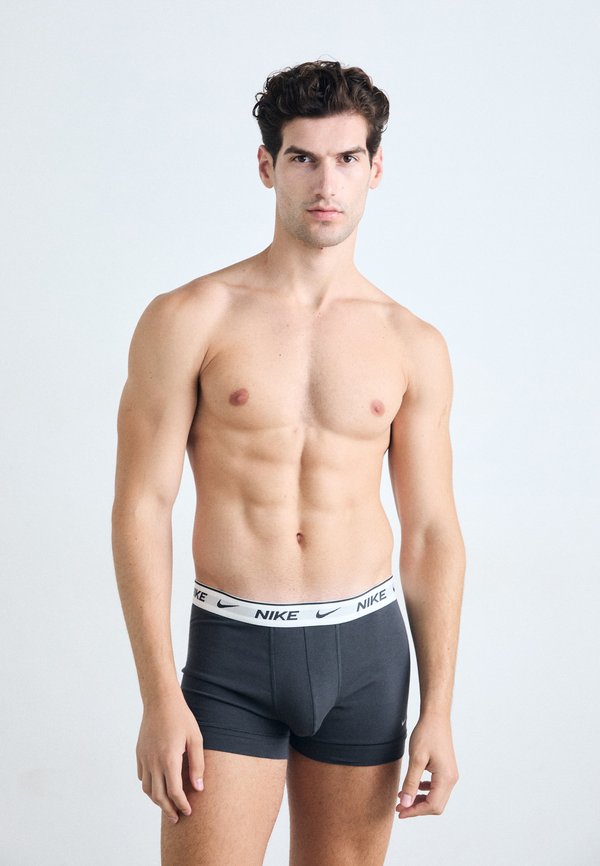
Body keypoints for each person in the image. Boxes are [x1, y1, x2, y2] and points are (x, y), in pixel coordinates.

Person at [112, 58, 466, 866]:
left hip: (367, 656)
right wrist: (158, 695)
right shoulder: (190, 317)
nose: (326, 182)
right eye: (303, 157)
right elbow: (141, 505)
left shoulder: (412, 343)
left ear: (376, 168)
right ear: (268, 165)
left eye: (347, 158)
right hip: (232, 654)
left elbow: (433, 532)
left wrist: (439, 708)